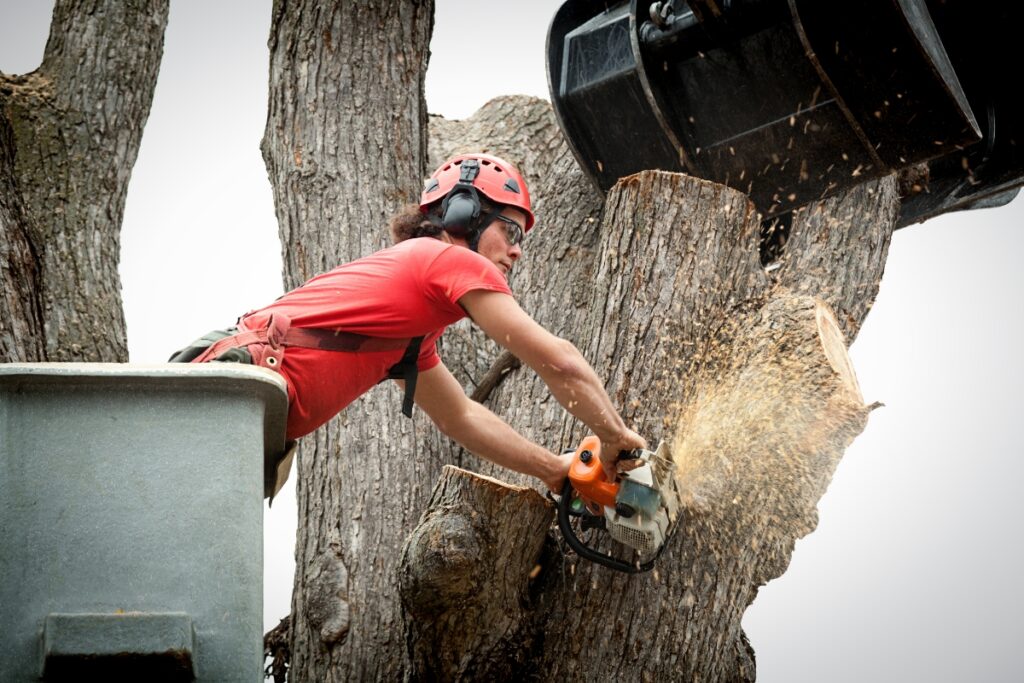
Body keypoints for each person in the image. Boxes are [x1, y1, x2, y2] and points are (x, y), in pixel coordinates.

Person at [170, 152, 645, 498]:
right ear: (466, 214)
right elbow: (557, 359)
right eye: (511, 230)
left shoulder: (411, 335)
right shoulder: (446, 259)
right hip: (231, 390)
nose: (517, 249)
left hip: (243, 413)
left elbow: (460, 415)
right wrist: (617, 438)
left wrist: (552, 469)